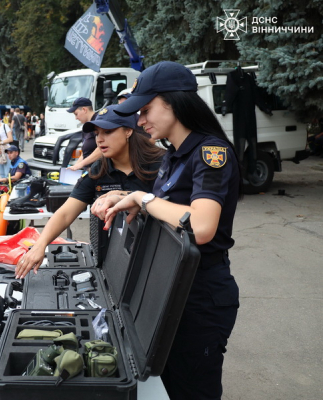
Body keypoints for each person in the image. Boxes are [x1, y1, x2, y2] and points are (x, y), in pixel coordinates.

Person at [103, 61, 241, 399]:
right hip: (172, 289)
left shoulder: (210, 152)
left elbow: (202, 225)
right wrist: (130, 198)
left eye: (147, 109)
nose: (140, 120)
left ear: (174, 103)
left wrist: (143, 197)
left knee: (194, 389)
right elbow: (169, 210)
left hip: (201, 296)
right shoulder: (174, 156)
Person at [14, 105, 163, 279]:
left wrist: (130, 197)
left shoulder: (161, 164)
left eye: (107, 132)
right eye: (97, 133)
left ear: (128, 131)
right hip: (114, 261)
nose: (100, 140)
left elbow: (177, 211)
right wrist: (40, 245)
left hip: (156, 261)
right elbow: (65, 213)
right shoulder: (98, 170)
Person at [67, 97, 102, 171]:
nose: (76, 118)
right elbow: (85, 152)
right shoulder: (87, 126)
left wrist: (81, 164)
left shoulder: (98, 123)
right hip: (88, 169)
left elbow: (101, 149)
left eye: (76, 114)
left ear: (84, 109)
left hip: (98, 170)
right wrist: (75, 166)